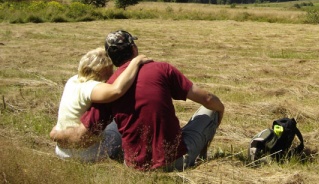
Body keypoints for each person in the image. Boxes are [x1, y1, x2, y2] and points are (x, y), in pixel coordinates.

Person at [50, 30, 225, 171]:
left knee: (114, 124)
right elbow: (207, 98)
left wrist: (57, 134)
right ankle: (198, 156)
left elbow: (84, 133)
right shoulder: (162, 69)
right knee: (210, 110)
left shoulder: (108, 87)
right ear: (134, 49)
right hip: (175, 160)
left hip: (134, 165)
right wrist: (221, 109)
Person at [51, 47, 151, 162]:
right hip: (87, 153)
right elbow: (116, 90)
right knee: (118, 124)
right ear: (104, 70)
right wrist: (135, 62)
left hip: (62, 150)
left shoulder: (72, 80)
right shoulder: (91, 87)